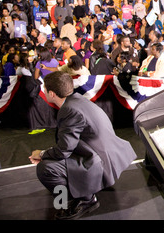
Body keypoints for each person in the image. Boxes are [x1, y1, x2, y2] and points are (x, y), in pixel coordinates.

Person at [29, 71, 136, 220]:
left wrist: (41, 154)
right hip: (107, 154)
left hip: (100, 162)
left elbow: (63, 151)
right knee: (53, 160)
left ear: (52, 93)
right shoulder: (78, 100)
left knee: (46, 169)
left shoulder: (69, 110)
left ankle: (84, 200)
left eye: (45, 89)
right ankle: (82, 190)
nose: (44, 91)